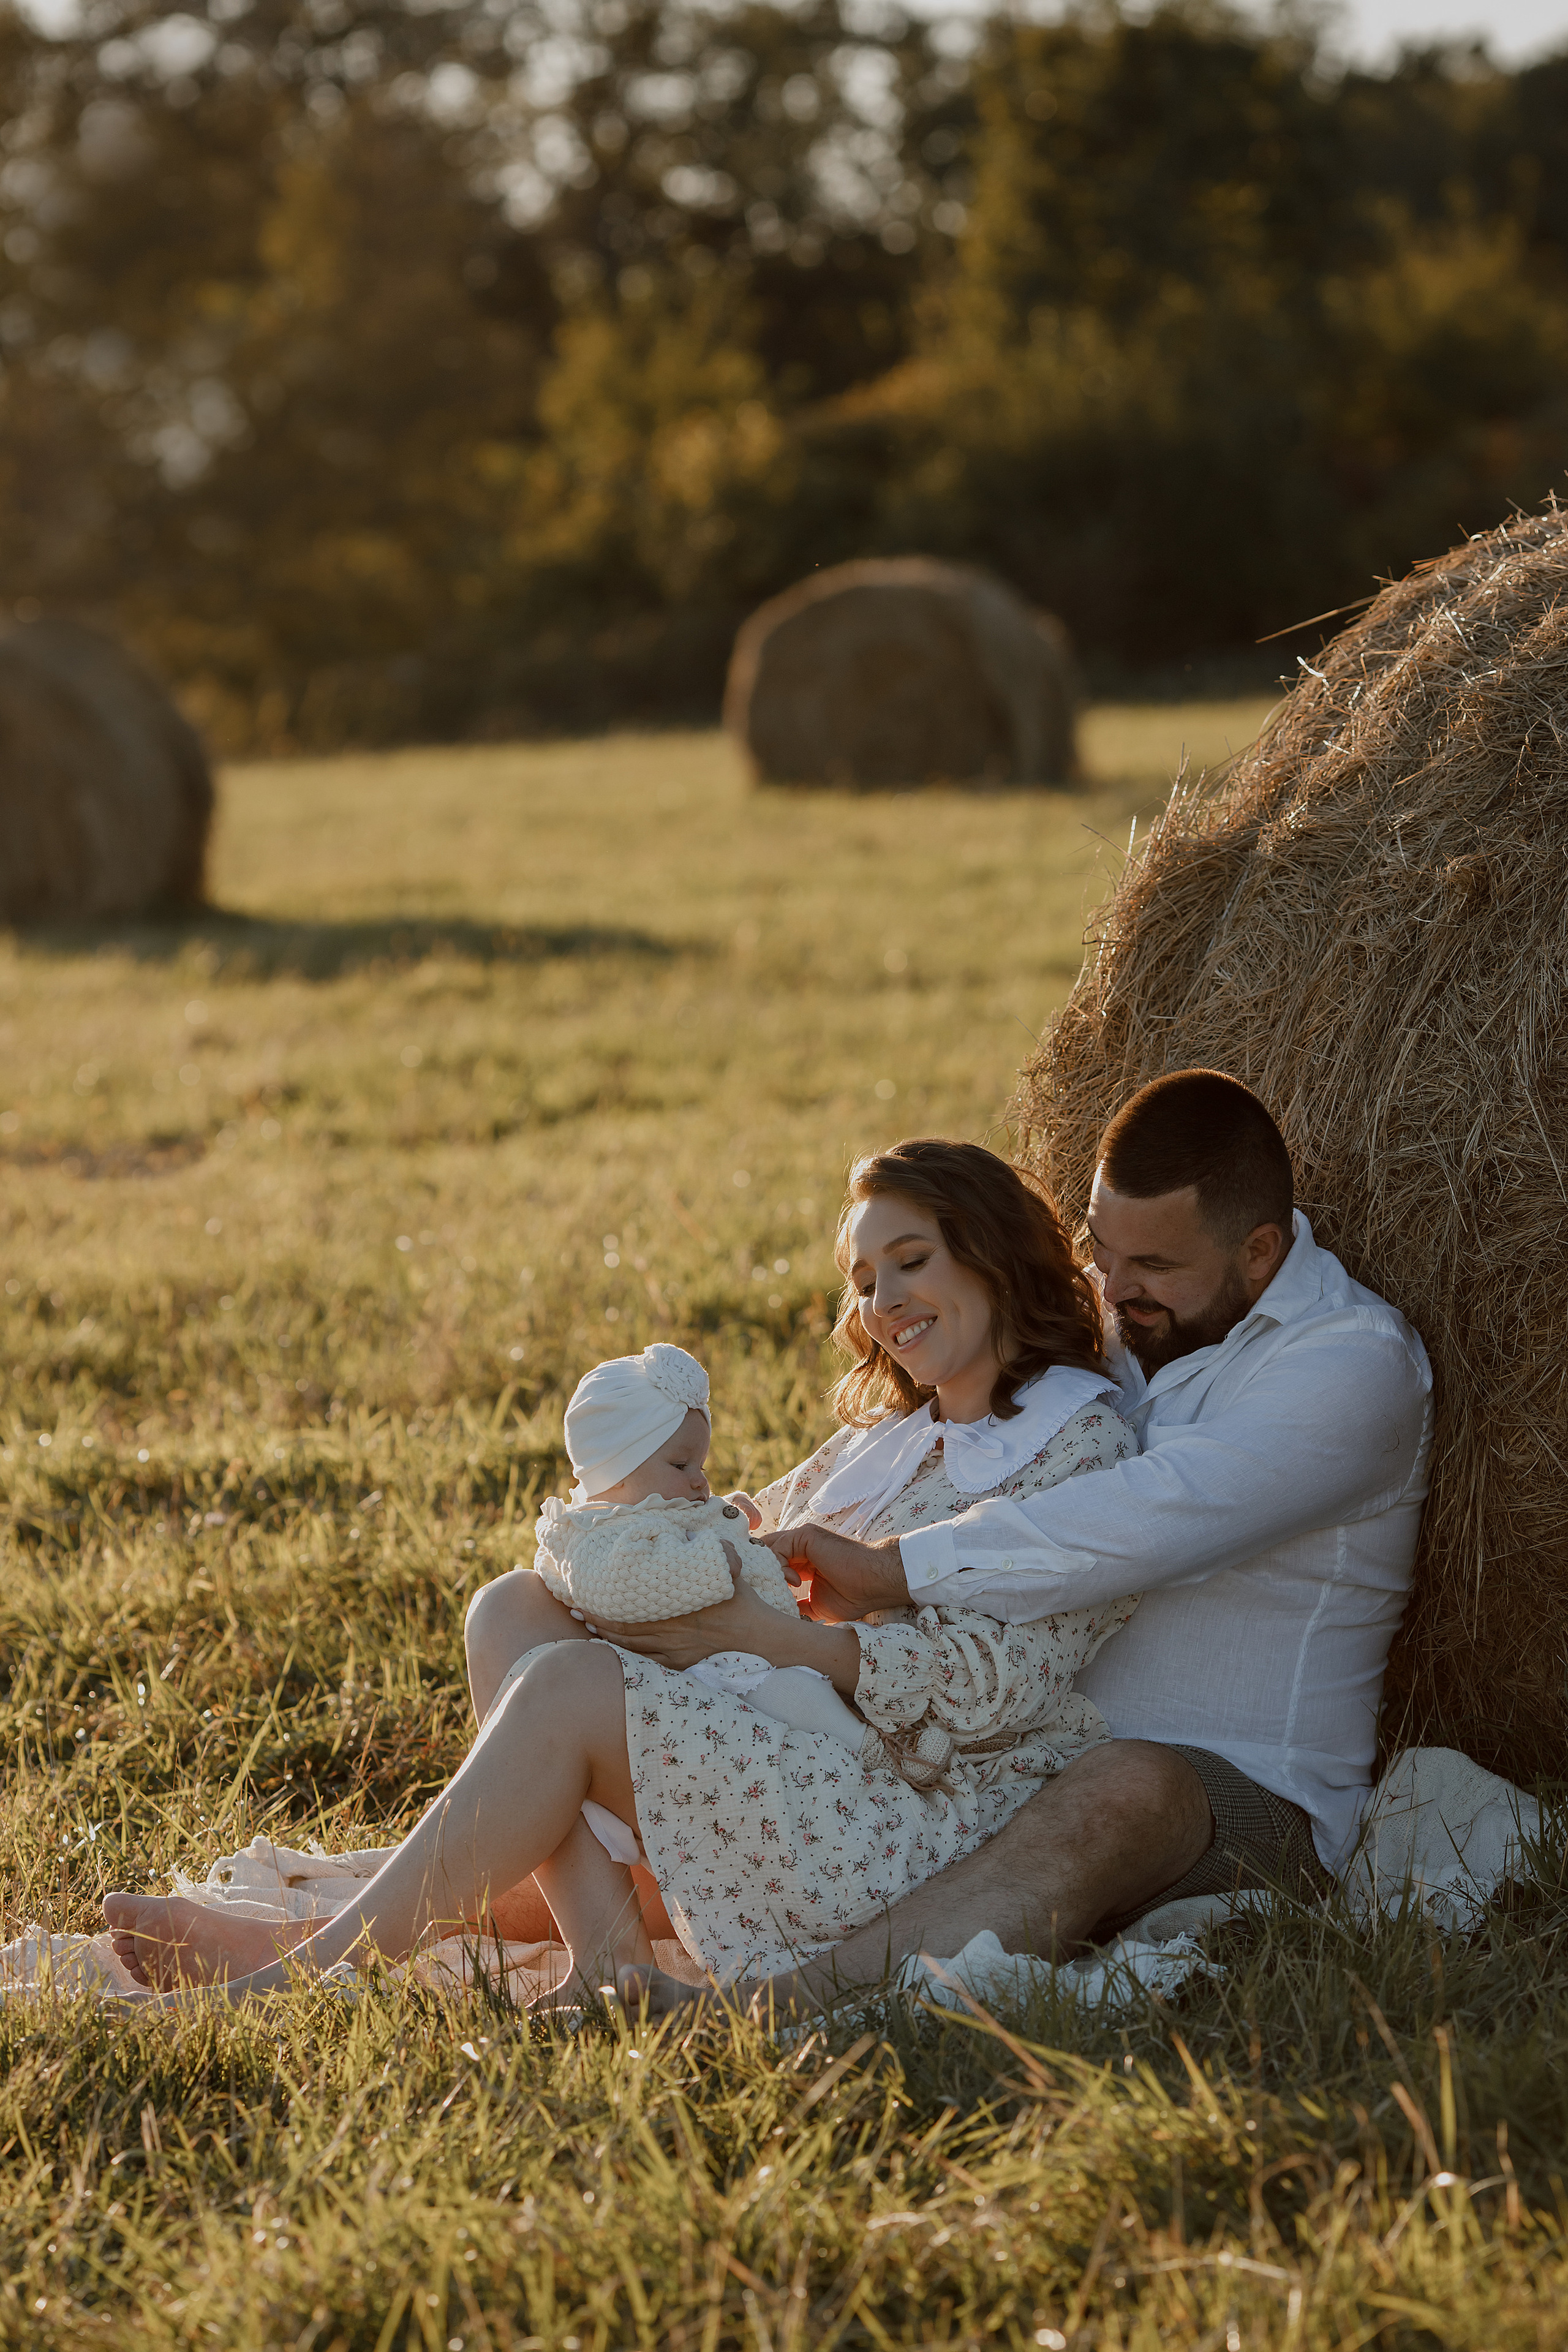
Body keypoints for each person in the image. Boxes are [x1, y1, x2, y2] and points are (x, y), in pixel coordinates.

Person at [103, 1139, 1142, 1999]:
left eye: (911, 1261)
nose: (882, 1303)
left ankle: (302, 1975)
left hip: (905, 1806)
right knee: (513, 1609)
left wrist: (767, 1635)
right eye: (866, 1281)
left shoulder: (1079, 1447)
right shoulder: (892, 1437)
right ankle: (608, 1968)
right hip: (782, 1733)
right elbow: (753, 1526)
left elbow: (1004, 1687)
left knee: (565, 1686)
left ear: (994, 1255)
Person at [615, 1067, 1434, 2021]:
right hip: (1009, 1742)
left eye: (1154, 1268)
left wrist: (897, 1569)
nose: (1113, 1288)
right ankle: (439, 1886)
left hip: (1236, 1799)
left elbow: (1151, 1514)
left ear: (1260, 1252)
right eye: (1101, 1250)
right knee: (754, 1778)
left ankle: (774, 2010)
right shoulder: (1122, 1309)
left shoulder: (1352, 1368)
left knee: (1131, 1785)